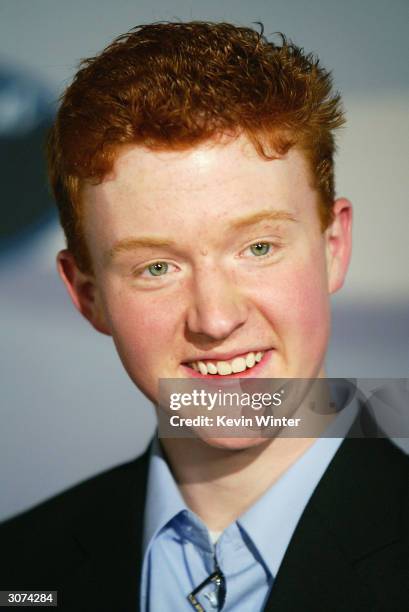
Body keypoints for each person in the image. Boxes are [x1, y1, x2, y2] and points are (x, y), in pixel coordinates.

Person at [0, 22, 407, 612]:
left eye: (258, 248)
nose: (215, 320)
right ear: (86, 293)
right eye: (157, 267)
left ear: (333, 247)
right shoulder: (19, 571)